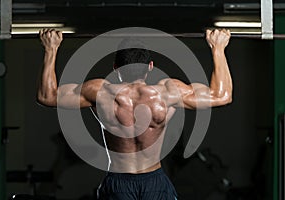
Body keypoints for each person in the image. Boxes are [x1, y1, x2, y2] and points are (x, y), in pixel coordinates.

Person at [37, 28, 232, 200]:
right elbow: (221, 95)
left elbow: (47, 96)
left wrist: (51, 49)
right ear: (150, 66)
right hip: (154, 181)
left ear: (115, 68)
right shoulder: (168, 92)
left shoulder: (101, 92)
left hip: (118, 182)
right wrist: (218, 49)